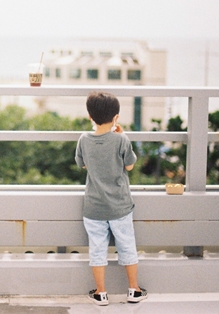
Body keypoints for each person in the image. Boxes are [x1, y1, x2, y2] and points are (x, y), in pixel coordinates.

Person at [75, 91, 148, 306]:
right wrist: (121, 136)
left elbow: (82, 164)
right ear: (116, 117)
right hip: (120, 207)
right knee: (127, 246)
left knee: (97, 249)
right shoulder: (121, 139)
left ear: (90, 117)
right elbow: (129, 165)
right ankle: (134, 290)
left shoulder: (84, 139)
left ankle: (101, 293)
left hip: (94, 207)